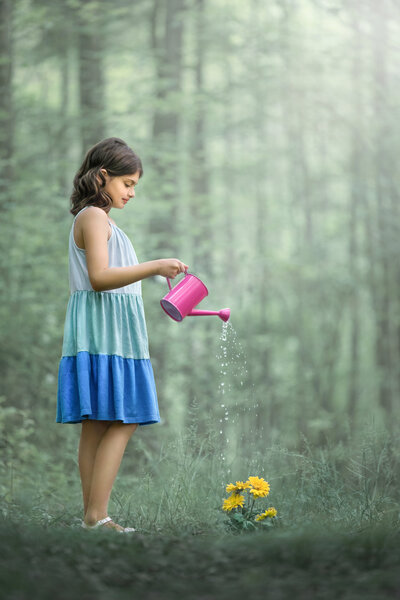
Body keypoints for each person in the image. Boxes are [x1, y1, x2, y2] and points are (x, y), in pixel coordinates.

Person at [56, 137, 188, 533]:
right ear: (103, 177)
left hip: (109, 332)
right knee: (123, 418)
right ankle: (98, 516)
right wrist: (155, 265)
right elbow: (99, 278)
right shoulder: (94, 217)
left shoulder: (102, 219)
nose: (132, 192)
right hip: (103, 334)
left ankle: (93, 518)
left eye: (134, 186)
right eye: (127, 183)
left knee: (99, 422)